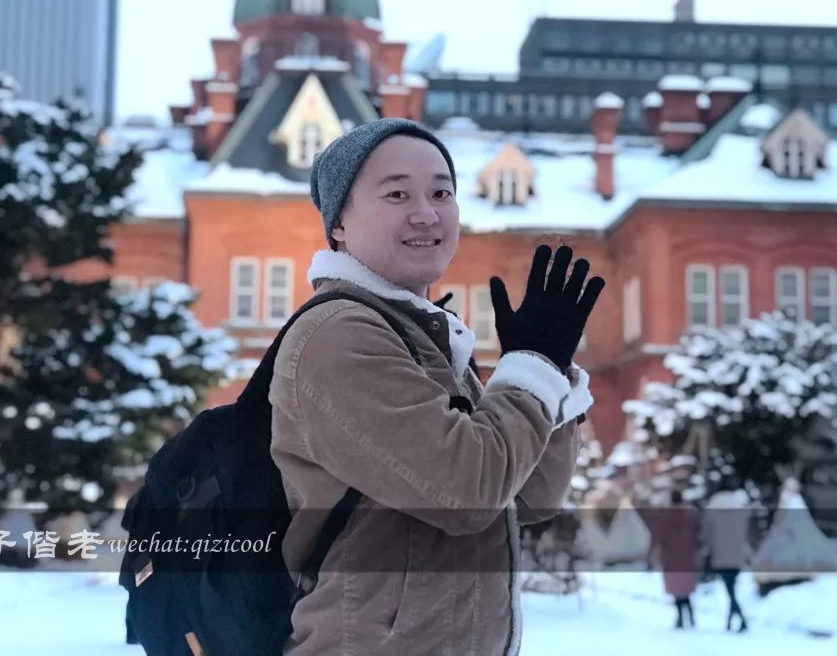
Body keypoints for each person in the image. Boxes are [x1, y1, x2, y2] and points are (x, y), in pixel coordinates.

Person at [268, 118, 605, 655]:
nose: (426, 213)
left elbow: (532, 498)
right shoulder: (339, 335)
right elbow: (467, 494)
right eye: (397, 193)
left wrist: (551, 371)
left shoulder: (430, 341)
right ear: (338, 225)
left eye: (441, 192)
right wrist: (530, 368)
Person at [701, 488, 751, 632]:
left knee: (730, 591)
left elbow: (708, 535)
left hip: (721, 556)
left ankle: (742, 620)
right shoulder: (740, 512)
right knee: (731, 589)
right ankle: (730, 621)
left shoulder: (713, 513)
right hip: (737, 556)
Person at [648, 489, 700, 629]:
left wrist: (652, 553)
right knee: (686, 589)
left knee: (676, 590)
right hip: (687, 557)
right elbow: (697, 535)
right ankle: (690, 614)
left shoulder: (665, 517)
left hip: (671, 559)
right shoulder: (690, 516)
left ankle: (680, 617)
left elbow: (657, 537)